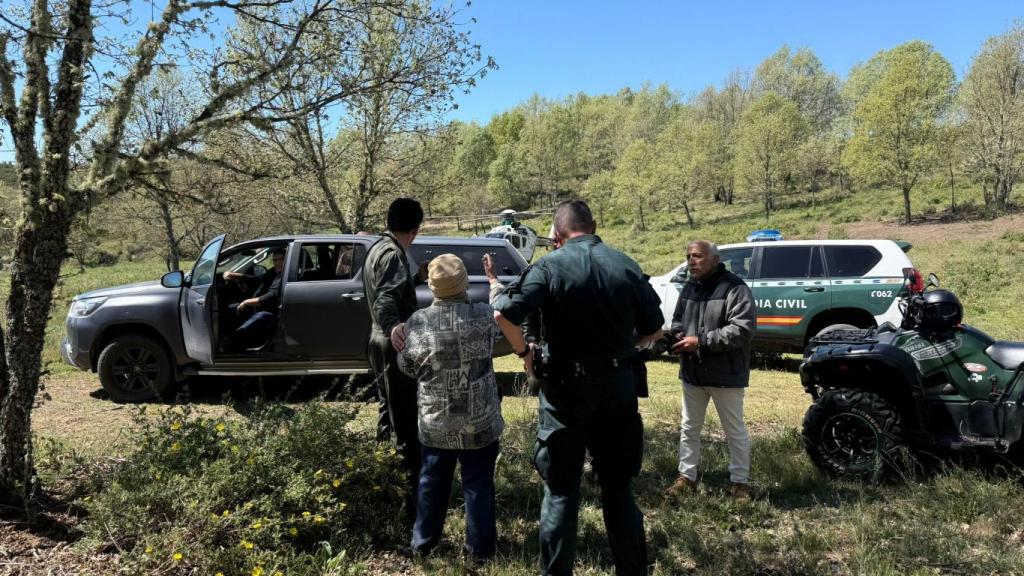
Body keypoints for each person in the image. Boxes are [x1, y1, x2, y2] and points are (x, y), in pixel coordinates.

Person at [491, 200, 664, 576]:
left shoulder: (548, 266)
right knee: (619, 491)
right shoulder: (626, 264)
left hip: (565, 390)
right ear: (594, 224)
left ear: (555, 234)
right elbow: (654, 327)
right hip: (618, 387)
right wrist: (623, 348)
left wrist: (524, 352)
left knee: (561, 491)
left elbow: (504, 313)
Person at [397, 254, 530, 564]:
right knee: (478, 484)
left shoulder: (418, 322)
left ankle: (423, 546)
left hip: (436, 423)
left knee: (431, 482)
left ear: (431, 287)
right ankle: (480, 553)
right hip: (479, 420)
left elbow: (407, 366)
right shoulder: (483, 316)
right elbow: (505, 312)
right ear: (465, 283)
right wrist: (494, 280)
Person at [663, 240, 757, 500]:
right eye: (688, 256)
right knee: (689, 427)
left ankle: (740, 483)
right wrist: (679, 334)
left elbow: (743, 330)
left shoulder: (735, 287)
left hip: (725, 374)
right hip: (693, 372)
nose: (691, 261)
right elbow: (679, 318)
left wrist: (701, 342)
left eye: (697, 256)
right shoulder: (690, 287)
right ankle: (686, 477)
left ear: (714, 259)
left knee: (734, 431)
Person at [363, 198, 427, 499]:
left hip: (378, 340)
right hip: (391, 343)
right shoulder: (392, 254)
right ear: (414, 231)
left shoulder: (377, 247)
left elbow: (390, 289)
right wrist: (393, 328)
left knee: (387, 411)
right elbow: (386, 298)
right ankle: (410, 493)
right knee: (403, 417)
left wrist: (416, 279)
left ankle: (381, 476)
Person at [224, 247, 285, 350]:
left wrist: (246, 302)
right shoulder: (273, 272)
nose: (278, 263)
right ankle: (221, 335)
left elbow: (269, 298)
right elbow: (257, 279)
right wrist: (233, 275)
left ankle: (230, 342)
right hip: (261, 307)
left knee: (262, 316)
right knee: (230, 309)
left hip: (272, 314)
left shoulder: (284, 276)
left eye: (281, 259)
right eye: (275, 260)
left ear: (287, 260)